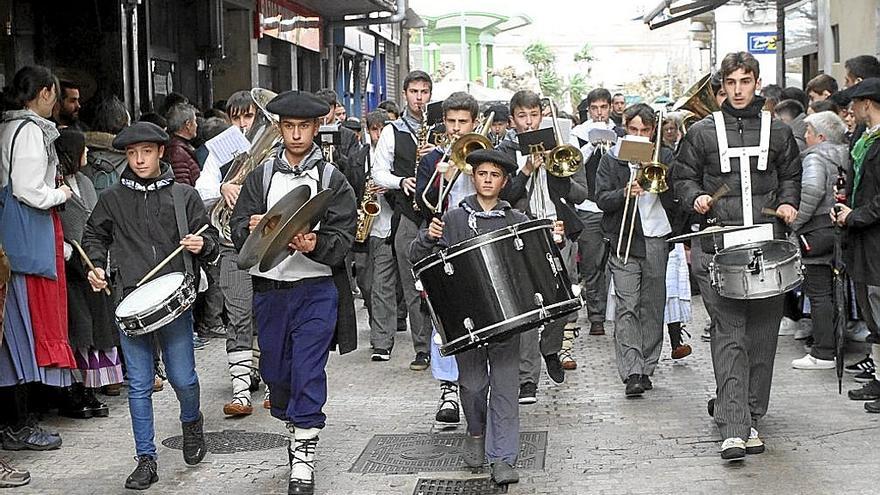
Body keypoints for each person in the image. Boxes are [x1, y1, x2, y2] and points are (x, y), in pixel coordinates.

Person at [672, 51, 801, 460]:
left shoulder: (779, 132)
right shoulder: (702, 132)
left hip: (769, 246)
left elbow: (792, 175)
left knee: (762, 338)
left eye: (745, 81)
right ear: (721, 87)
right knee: (729, 335)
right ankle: (733, 425)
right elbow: (682, 175)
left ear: (756, 83)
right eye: (730, 83)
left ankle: (751, 415)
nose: (738, 90)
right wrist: (696, 197)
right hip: (718, 248)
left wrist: (789, 202)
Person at [229, 90, 357, 495]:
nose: (296, 134)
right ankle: (294, 426)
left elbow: (344, 239)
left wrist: (314, 244)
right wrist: (250, 229)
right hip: (271, 291)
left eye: (304, 127)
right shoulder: (261, 176)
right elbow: (237, 233)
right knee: (276, 375)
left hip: (317, 290)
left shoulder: (332, 180)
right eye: (289, 126)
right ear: (279, 128)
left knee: (307, 369)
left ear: (317, 128)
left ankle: (304, 453)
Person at [410, 148, 559, 486]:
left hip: (507, 322)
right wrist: (426, 238)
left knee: (506, 387)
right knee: (474, 386)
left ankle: (503, 458)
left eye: (495, 175)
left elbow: (539, 254)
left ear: (504, 181)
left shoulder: (516, 221)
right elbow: (416, 257)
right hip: (466, 320)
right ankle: (476, 431)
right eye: (482, 174)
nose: (488, 180)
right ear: (473, 178)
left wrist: (554, 237)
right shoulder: (453, 219)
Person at [82, 121, 216, 488]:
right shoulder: (112, 198)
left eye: (146, 152)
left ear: (160, 153)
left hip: (174, 302)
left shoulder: (183, 196)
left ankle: (192, 421)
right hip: (130, 300)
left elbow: (211, 239)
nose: (139, 160)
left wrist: (201, 246)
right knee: (139, 384)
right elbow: (94, 236)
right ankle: (146, 459)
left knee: (183, 377)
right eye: (131, 153)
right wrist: (94, 265)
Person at [0, 65, 75, 452]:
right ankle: (19, 423)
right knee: (23, 332)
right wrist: (60, 194)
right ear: (45, 93)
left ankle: (18, 421)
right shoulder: (30, 130)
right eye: (56, 94)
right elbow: (29, 189)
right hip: (27, 238)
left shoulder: (8, 125)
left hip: (13, 239)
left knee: (12, 334)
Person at [497, 89, 586, 402]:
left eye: (534, 115)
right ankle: (526, 379)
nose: (528, 121)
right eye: (522, 116)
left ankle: (550, 348)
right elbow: (503, 198)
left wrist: (555, 170)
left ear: (542, 116)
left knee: (562, 302)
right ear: (513, 120)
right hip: (521, 235)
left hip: (558, 230)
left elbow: (579, 194)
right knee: (526, 309)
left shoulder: (562, 145)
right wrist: (525, 170)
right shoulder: (507, 150)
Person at [596, 103, 677, 396]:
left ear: (653, 131)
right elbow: (602, 199)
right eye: (633, 130)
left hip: (656, 235)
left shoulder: (665, 155)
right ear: (624, 126)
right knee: (627, 305)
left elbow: (676, 199)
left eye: (645, 130)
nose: (639, 135)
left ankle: (648, 366)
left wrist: (656, 180)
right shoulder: (611, 160)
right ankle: (632, 370)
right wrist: (624, 192)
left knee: (653, 304)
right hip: (624, 239)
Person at [414, 92, 483, 429]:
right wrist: (441, 174)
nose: (457, 129)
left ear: (474, 123)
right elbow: (423, 203)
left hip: (481, 242)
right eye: (452, 122)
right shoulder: (432, 160)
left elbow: (507, 191)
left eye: (463, 122)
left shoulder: (484, 155)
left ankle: (478, 384)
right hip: (446, 243)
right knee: (444, 319)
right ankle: (448, 390)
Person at [193, 91, 264, 417]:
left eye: (248, 117)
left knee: (266, 313)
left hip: (267, 244)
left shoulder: (273, 148)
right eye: (235, 117)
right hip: (231, 244)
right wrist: (222, 187)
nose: (242, 124)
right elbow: (201, 189)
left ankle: (268, 379)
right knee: (237, 313)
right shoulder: (221, 147)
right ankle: (240, 391)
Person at [55, 128, 123, 418]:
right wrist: (72, 255)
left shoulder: (85, 181)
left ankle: (101, 382)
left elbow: (96, 224)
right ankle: (79, 386)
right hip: (73, 270)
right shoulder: (58, 188)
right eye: (83, 150)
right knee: (81, 326)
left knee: (101, 321)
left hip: (94, 264)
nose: (88, 155)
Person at [372, 70, 434, 368]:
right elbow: (378, 171)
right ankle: (422, 348)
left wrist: (439, 153)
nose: (419, 97)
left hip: (438, 212)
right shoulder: (391, 130)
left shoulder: (439, 127)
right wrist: (401, 182)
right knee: (412, 285)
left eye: (424, 92)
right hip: (408, 214)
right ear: (405, 94)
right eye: (414, 92)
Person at [832, 78, 880, 413]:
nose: (852, 112)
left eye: (856, 104)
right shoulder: (864, 141)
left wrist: (854, 215)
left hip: (876, 243)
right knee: (872, 314)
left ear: (867, 104)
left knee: (879, 309)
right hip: (864, 244)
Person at [788, 111, 850, 370]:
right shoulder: (845, 154)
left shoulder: (815, 158)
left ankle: (824, 352)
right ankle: (833, 346)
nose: (805, 136)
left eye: (809, 132)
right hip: (837, 226)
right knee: (834, 291)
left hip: (817, 229)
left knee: (820, 291)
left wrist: (795, 222)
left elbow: (812, 191)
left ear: (821, 136)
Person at [568, 88, 625, 342]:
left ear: (610, 107)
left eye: (604, 107)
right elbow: (572, 163)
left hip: (615, 205)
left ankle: (620, 314)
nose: (600, 112)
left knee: (620, 263)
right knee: (592, 267)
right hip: (589, 208)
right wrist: (591, 145)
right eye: (595, 108)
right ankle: (596, 317)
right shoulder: (579, 133)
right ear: (588, 109)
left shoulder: (620, 131)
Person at [165, 103, 200, 186]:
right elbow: (182, 187)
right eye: (195, 121)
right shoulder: (177, 152)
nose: (197, 125)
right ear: (188, 124)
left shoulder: (180, 147)